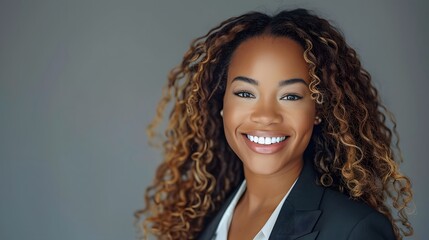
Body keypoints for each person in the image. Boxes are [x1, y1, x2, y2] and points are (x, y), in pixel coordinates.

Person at [135, 8, 413, 240]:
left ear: (318, 110)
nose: (266, 115)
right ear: (221, 105)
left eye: (290, 96)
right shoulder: (202, 223)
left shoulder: (354, 230)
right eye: (245, 93)